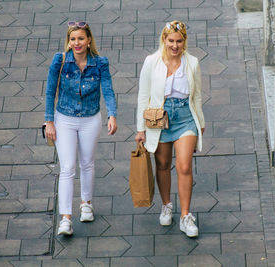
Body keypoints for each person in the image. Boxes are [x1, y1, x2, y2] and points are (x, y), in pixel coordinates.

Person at [44, 21, 117, 235]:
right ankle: (65, 218)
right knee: (67, 168)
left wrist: (112, 114)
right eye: (73, 39)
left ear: (89, 40)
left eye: (81, 39)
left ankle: (86, 203)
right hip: (64, 119)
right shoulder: (60, 61)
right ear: (68, 41)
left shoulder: (100, 63)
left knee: (87, 163)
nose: (77, 43)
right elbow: (49, 92)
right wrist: (49, 121)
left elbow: (108, 91)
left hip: (90, 119)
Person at [135, 20, 205, 237]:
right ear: (163, 40)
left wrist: (200, 123)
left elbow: (198, 95)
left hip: (185, 117)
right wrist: (140, 129)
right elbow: (143, 96)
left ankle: (185, 216)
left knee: (184, 166)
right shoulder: (151, 62)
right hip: (159, 118)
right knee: (163, 164)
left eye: (179, 41)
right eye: (171, 41)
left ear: (184, 42)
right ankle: (167, 205)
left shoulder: (192, 63)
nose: (175, 46)